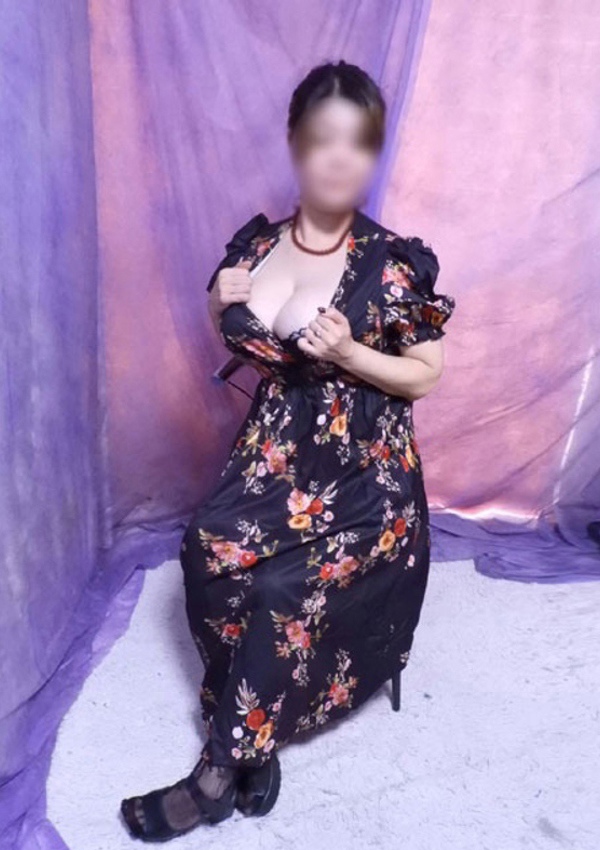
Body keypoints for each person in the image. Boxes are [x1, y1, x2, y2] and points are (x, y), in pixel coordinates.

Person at [120, 59, 456, 841]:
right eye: (323, 138)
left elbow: (427, 375)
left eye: (359, 142)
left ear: (372, 154)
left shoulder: (392, 262)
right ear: (295, 143)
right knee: (205, 548)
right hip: (275, 454)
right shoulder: (258, 246)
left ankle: (220, 770)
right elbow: (234, 330)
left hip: (365, 474)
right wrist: (219, 302)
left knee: (279, 586)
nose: (340, 158)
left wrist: (351, 354)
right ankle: (255, 728)